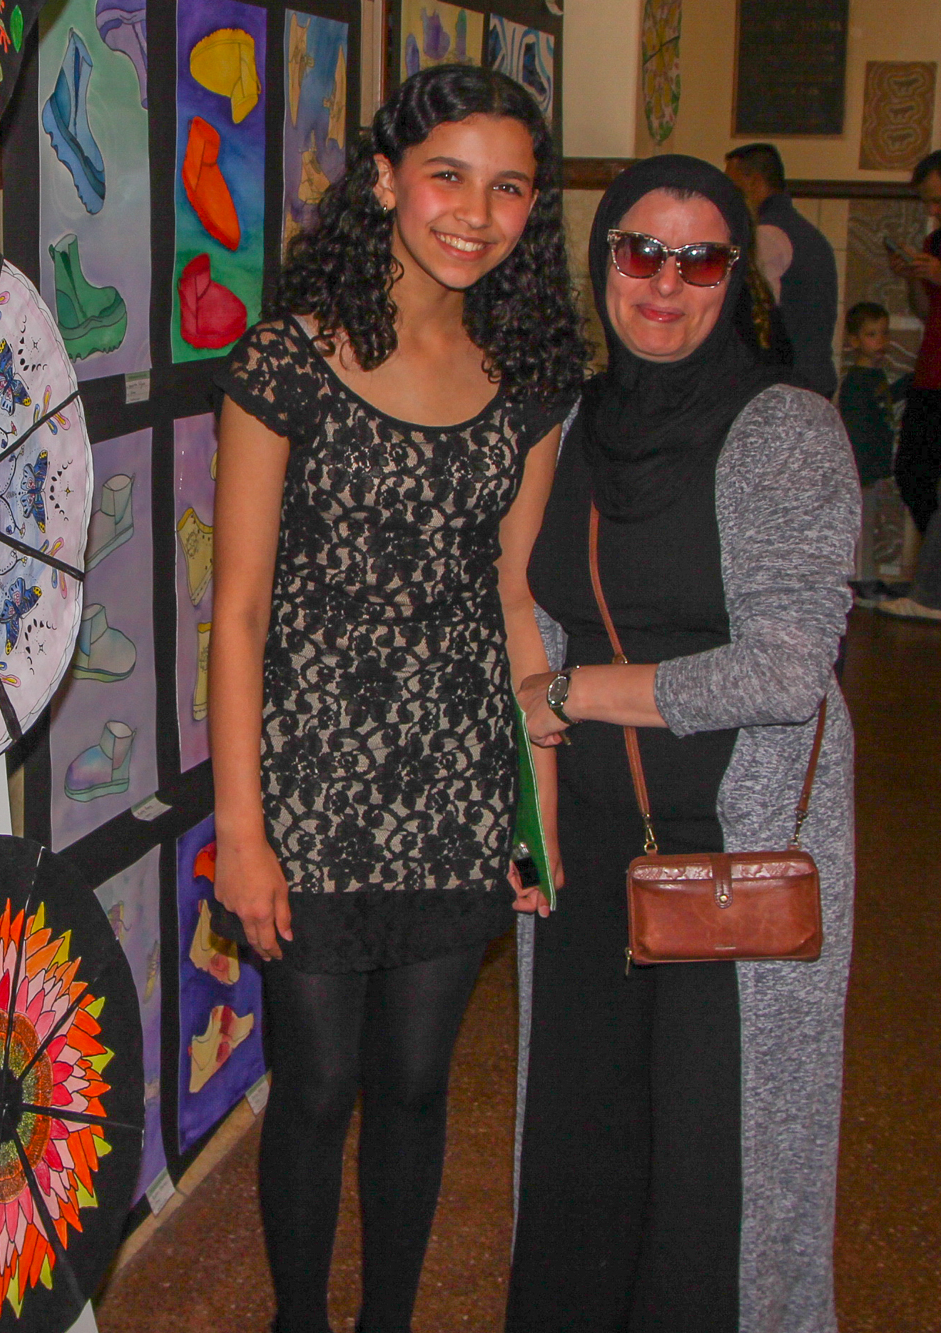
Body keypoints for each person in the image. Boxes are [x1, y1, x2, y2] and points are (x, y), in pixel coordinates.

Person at [209, 64, 586, 1333]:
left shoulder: (527, 377)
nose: (475, 214)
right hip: (309, 784)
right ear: (382, 180)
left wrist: (534, 808)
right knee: (316, 1085)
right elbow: (237, 612)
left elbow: (513, 603)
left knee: (417, 1084)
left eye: (508, 188)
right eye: (447, 177)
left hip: (454, 782)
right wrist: (242, 833)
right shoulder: (286, 360)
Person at [507, 155, 857, 1333]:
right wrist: (530, 803)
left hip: (732, 850)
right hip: (589, 847)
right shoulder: (566, 422)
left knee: (721, 1165)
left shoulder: (785, 431)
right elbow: (529, 611)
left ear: (733, 277)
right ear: (600, 258)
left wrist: (571, 696)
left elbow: (783, 669)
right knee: (580, 1140)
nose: (664, 283)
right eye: (639, 252)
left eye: (698, 259)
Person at [879, 149, 941, 621]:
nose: (933, 210)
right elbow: (924, 311)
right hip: (931, 372)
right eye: (928, 202)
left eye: (938, 200)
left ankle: (931, 592)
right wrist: (915, 279)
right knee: (912, 473)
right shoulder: (935, 241)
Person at [726, 143, 839, 398]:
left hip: (787, 386)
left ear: (755, 182)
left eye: (734, 188)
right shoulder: (809, 233)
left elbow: (754, 323)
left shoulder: (767, 236)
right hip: (815, 378)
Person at [837, 301, 908, 603]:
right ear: (854, 341)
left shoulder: (875, 377)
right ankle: (860, 580)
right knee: (862, 526)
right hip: (862, 468)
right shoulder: (856, 381)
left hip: (874, 466)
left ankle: (868, 576)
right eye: (871, 334)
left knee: (870, 522)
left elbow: (885, 404)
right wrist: (861, 468)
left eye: (884, 333)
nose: (880, 341)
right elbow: (856, 429)